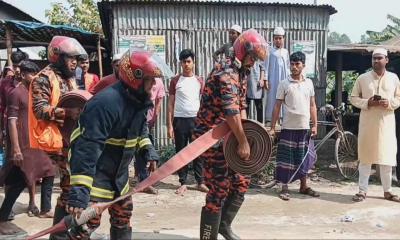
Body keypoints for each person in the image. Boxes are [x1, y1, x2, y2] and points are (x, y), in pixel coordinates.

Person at [66, 50, 169, 239]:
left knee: (123, 215)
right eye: (150, 80)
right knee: (86, 224)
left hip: (118, 175)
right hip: (95, 174)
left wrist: (147, 149)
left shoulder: (139, 101)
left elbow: (140, 129)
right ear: (135, 78)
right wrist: (80, 192)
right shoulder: (105, 104)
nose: (154, 85)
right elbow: (87, 149)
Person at [194, 29, 267, 239]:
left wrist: (244, 137)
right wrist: (243, 142)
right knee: (218, 189)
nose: (253, 63)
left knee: (241, 181)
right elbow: (231, 111)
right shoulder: (226, 72)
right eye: (252, 58)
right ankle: (209, 236)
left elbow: (242, 108)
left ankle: (223, 227)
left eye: (255, 60)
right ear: (243, 52)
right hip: (211, 139)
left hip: (229, 136)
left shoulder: (241, 72)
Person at [28, 36, 87, 240]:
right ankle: (64, 234)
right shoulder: (43, 78)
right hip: (55, 140)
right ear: (57, 56)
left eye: (76, 59)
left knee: (68, 189)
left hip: (68, 140)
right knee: (71, 187)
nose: (75, 62)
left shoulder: (68, 77)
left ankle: (61, 234)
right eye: (70, 58)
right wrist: (67, 113)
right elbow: (39, 109)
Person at [0, 61, 56, 235]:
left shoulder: (36, 92)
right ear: (22, 75)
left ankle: (45, 208)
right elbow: (11, 121)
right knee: (20, 180)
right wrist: (15, 148)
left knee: (50, 171)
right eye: (31, 74)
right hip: (23, 143)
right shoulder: (16, 93)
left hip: (37, 141)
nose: (34, 77)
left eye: (35, 74)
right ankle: (2, 219)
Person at [350, 48, 400, 202]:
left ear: (386, 60)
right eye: (374, 59)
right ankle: (362, 191)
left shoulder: (394, 78)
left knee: (387, 158)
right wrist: (368, 102)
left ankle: (388, 191)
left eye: (379, 58)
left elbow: (398, 98)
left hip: (386, 124)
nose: (376, 61)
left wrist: (389, 103)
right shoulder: (362, 78)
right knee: (365, 157)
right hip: (368, 123)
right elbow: (353, 98)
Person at [269, 51, 318, 201]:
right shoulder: (284, 83)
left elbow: (312, 105)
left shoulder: (309, 83)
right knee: (286, 160)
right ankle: (284, 187)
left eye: (297, 64)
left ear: (303, 65)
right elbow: (277, 106)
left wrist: (315, 124)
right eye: (292, 64)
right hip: (288, 127)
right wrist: (272, 127)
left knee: (303, 158)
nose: (294, 67)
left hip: (304, 128)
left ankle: (304, 186)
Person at [167, 49, 208, 195]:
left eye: (188, 61)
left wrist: (205, 122)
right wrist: (169, 125)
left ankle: (200, 182)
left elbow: (204, 103)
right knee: (181, 152)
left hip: (196, 120)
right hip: (179, 120)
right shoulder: (175, 81)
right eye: (183, 62)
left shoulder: (200, 81)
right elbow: (170, 104)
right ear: (180, 63)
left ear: (193, 62)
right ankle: (183, 182)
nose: (186, 64)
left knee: (198, 152)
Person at [134, 76, 165, 195]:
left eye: (154, 82)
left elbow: (159, 102)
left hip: (146, 122)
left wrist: (152, 155)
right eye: (150, 81)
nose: (153, 84)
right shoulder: (134, 93)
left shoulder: (146, 100)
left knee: (143, 147)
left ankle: (143, 180)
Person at [264, 26, 290, 123]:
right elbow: (265, 66)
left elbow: (288, 67)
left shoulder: (285, 52)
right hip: (273, 80)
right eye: (276, 38)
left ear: (283, 39)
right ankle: (271, 120)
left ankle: (283, 120)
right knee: (272, 98)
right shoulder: (270, 51)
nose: (278, 40)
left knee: (284, 98)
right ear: (273, 39)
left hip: (284, 80)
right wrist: (265, 79)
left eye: (280, 38)